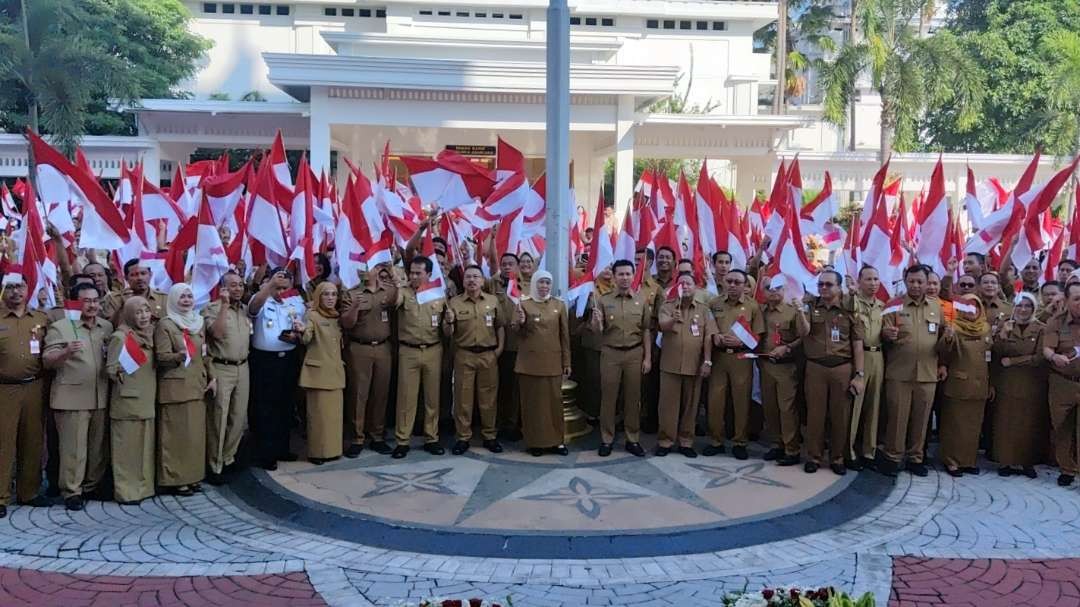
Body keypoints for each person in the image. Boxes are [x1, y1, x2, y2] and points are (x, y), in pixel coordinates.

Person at [43, 283, 112, 511]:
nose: (92, 305)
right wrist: (65, 352)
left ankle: (92, 486)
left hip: (100, 395)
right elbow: (47, 360)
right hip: (71, 396)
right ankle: (72, 491)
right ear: (74, 303)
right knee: (74, 449)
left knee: (96, 447)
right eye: (86, 301)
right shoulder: (62, 327)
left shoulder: (106, 326)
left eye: (95, 300)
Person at [880, 265, 946, 477]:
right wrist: (886, 335)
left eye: (920, 281)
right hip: (899, 372)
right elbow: (881, 334)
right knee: (897, 418)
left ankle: (916, 458)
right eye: (912, 281)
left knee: (921, 419)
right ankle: (892, 457)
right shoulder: (893, 306)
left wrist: (943, 362)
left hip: (927, 374)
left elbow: (944, 339)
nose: (916, 286)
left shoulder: (938, 308)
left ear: (928, 283)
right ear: (905, 281)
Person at [801, 270, 865, 475]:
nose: (824, 288)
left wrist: (859, 374)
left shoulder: (849, 310)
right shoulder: (810, 306)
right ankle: (814, 456)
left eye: (829, 284)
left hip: (842, 368)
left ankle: (837, 458)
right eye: (821, 284)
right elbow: (803, 332)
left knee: (840, 416)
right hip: (816, 367)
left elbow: (857, 344)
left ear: (839, 287)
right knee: (815, 415)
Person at [155, 283, 215, 496]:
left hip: (197, 386)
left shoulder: (198, 323)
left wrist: (212, 376)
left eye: (190, 296)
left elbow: (205, 354)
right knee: (176, 436)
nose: (187, 300)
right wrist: (178, 356)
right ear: (173, 300)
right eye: (182, 297)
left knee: (194, 437)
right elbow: (161, 357)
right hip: (175, 388)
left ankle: (192, 477)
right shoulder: (166, 324)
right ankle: (175, 480)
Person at [0, 271, 51, 517]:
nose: (16, 292)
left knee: (32, 440)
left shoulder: (40, 318)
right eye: (10, 287)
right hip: (4, 388)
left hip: (34, 387)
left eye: (20, 287)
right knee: (3, 442)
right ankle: (1, 495)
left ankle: (28, 491)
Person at [590, 259, 651, 457]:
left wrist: (647, 358)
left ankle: (632, 439)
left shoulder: (641, 299)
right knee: (608, 398)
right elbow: (597, 331)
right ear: (614, 277)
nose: (624, 278)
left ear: (633, 276)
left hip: (635, 353)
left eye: (628, 274)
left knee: (633, 398)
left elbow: (646, 330)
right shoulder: (604, 300)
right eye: (621, 274)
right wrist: (596, 323)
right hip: (611, 353)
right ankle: (607, 438)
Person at [248, 268, 305, 470]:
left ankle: (282, 448)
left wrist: (298, 334)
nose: (280, 291)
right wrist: (269, 286)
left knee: (285, 406)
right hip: (266, 360)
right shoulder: (263, 299)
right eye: (277, 287)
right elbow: (253, 308)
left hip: (288, 358)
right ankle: (266, 453)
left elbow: (302, 327)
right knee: (266, 408)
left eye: (284, 287)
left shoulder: (295, 302)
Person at [444, 265, 504, 455]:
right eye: (468, 277)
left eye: (476, 277)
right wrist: (449, 321)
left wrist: (499, 349)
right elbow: (447, 334)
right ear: (463, 281)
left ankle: (489, 436)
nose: (472, 280)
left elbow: (500, 326)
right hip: (464, 354)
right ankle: (463, 437)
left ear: (482, 280)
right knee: (463, 398)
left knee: (488, 398)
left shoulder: (493, 301)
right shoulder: (454, 302)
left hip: (488, 355)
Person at [392, 255, 448, 459]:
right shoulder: (403, 293)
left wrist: (449, 322)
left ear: (429, 274)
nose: (414, 276)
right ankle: (403, 440)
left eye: (419, 273)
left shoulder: (438, 295)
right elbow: (392, 302)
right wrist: (397, 284)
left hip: (433, 349)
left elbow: (446, 329)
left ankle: (431, 438)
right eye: (412, 272)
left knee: (432, 397)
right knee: (406, 397)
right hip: (409, 350)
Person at [512, 270, 571, 457]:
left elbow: (564, 336)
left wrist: (567, 362)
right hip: (529, 364)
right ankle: (535, 442)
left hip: (553, 363)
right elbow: (515, 331)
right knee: (532, 405)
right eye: (541, 282)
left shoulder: (558, 305)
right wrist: (520, 322)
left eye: (547, 282)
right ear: (534, 283)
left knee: (554, 404)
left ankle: (556, 442)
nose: (544, 286)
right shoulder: (524, 304)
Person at [656, 272, 715, 457]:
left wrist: (707, 361)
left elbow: (708, 336)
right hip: (670, 365)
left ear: (695, 287)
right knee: (668, 406)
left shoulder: (704, 310)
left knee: (691, 406)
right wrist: (673, 318)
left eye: (689, 283)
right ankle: (665, 441)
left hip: (694, 365)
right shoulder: (667, 306)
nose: (686, 287)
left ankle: (686, 442)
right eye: (682, 284)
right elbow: (662, 326)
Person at [340, 264, 397, 457]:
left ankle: (377, 435)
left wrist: (393, 275)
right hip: (359, 348)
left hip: (383, 347)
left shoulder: (387, 291)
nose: (365, 271)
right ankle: (357, 437)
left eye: (369, 267)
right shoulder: (351, 293)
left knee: (380, 393)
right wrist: (355, 306)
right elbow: (346, 323)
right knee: (358, 394)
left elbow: (399, 300)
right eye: (361, 268)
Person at [706, 269, 763, 459]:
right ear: (723, 282)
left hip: (741, 358)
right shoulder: (714, 304)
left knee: (741, 401)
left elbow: (759, 334)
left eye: (737, 282)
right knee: (715, 400)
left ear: (745, 285)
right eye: (729, 281)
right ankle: (716, 441)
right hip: (719, 358)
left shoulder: (752, 306)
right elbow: (708, 327)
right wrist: (716, 337)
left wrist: (742, 342)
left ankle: (740, 442)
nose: (732, 285)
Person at [105, 297, 157, 504]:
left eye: (146, 311)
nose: (144, 316)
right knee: (126, 449)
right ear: (128, 314)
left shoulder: (150, 335)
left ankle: (143, 489)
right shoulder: (121, 336)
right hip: (128, 400)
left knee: (144, 448)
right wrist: (123, 368)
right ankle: (126, 491)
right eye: (138, 312)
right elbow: (110, 369)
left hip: (146, 398)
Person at [202, 271, 251, 484]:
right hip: (222, 367)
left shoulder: (244, 310)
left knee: (238, 417)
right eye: (232, 285)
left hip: (243, 367)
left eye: (240, 285)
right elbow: (218, 334)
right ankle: (214, 464)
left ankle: (228, 458)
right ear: (223, 288)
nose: (238, 289)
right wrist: (223, 305)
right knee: (218, 417)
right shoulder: (212, 308)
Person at [991, 292, 1047, 479]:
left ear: (1033, 309)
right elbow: (995, 353)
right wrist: (1003, 335)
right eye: (1019, 306)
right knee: (1005, 422)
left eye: (1027, 306)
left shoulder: (1040, 329)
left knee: (1029, 423)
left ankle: (1027, 462)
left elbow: (1039, 357)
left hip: (1031, 383)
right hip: (1007, 383)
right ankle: (1005, 460)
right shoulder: (1006, 325)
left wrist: (1014, 361)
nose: (1023, 310)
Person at [936, 294, 991, 477]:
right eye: (967, 307)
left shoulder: (986, 329)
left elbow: (992, 357)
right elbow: (942, 352)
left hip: (980, 384)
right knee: (955, 424)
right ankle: (951, 461)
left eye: (975, 307)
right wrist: (948, 338)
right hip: (958, 383)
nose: (971, 311)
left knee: (973, 425)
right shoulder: (954, 327)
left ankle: (968, 461)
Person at [758, 276, 805, 466]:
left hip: (786, 367)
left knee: (787, 409)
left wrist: (787, 348)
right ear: (763, 291)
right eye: (769, 288)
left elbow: (804, 336)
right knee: (770, 408)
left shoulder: (792, 311)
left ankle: (791, 449)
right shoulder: (760, 311)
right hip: (765, 365)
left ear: (784, 290)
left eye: (778, 288)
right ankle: (776, 444)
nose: (773, 291)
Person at [300, 282, 346, 464]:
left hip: (334, 372)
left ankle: (333, 451)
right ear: (318, 296)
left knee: (333, 417)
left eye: (334, 294)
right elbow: (306, 336)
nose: (330, 298)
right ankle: (317, 453)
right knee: (318, 417)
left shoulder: (336, 318)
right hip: (318, 375)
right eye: (326, 294)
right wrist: (301, 329)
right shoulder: (312, 315)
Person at [1042, 281, 1080, 487]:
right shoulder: (1056, 322)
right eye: (1077, 299)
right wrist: (1054, 356)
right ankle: (1066, 469)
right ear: (1066, 301)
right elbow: (1047, 349)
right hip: (1062, 383)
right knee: (1062, 427)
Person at [848, 266, 884, 470]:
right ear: (859, 281)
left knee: (874, 405)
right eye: (868, 279)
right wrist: (851, 293)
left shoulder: (882, 305)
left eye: (876, 279)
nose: (873, 283)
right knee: (855, 405)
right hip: (858, 357)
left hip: (878, 356)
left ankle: (869, 452)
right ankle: (850, 450)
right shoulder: (853, 302)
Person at [489, 253, 523, 441]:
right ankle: (499, 423)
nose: (507, 267)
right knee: (499, 386)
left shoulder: (523, 287)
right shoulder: (492, 285)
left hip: (517, 346)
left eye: (511, 264)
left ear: (517, 267)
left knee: (515, 389)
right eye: (504, 264)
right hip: (496, 345)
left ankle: (513, 423)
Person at [115, 259, 166, 324]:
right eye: (134, 275)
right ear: (126, 278)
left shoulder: (164, 299)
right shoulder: (116, 299)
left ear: (150, 274)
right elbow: (111, 326)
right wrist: (125, 305)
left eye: (143, 273)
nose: (139, 278)